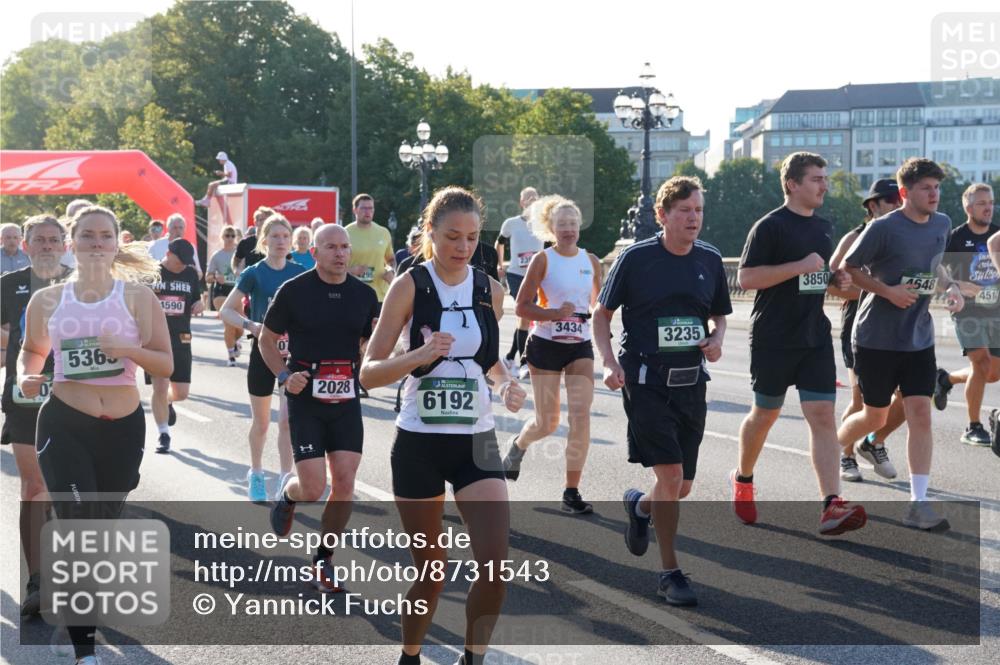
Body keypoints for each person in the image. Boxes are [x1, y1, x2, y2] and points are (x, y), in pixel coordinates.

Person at [360, 186, 526, 665]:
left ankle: (472, 659)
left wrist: (506, 385)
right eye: (453, 235)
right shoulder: (410, 285)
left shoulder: (489, 290)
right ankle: (410, 656)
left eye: (473, 237)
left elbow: (487, 360)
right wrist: (421, 353)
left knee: (495, 566)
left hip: (476, 440)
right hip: (419, 442)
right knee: (432, 571)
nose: (463, 246)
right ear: (431, 232)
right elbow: (369, 373)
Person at [18, 204, 171, 664]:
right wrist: (29, 375)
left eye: (106, 235)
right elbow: (32, 351)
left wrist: (126, 349)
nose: (97, 243)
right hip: (65, 423)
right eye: (87, 235)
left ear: (118, 242)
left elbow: (166, 364)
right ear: (72, 243)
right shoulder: (46, 300)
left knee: (100, 534)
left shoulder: (139, 299)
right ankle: (85, 653)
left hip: (123, 429)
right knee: (80, 528)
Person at [594, 176, 731, 606]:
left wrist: (715, 338)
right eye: (685, 211)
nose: (694, 219)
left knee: (681, 486)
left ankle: (640, 507)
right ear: (662, 215)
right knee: (670, 476)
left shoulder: (708, 259)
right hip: (646, 381)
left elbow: (719, 316)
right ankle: (670, 573)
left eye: (699, 211)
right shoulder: (637, 258)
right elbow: (602, 316)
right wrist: (609, 363)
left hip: (692, 384)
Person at [733, 152, 866, 536]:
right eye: (816, 179)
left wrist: (837, 283)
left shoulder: (824, 228)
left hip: (813, 336)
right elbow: (746, 278)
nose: (824, 185)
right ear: (792, 184)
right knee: (765, 415)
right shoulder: (769, 227)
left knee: (822, 415)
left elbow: (817, 277)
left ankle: (831, 504)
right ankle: (743, 479)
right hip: (774, 337)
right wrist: (799, 266)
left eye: (825, 178)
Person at [839, 158, 964, 531]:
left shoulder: (941, 224)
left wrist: (951, 287)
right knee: (874, 416)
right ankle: (837, 447)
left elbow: (936, 266)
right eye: (927, 188)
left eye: (937, 188)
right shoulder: (883, 228)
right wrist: (888, 291)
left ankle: (918, 503)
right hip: (876, 338)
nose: (935, 195)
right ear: (906, 193)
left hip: (918, 337)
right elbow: (849, 267)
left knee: (920, 413)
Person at [264, 224, 379, 592]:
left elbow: (369, 341)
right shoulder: (294, 291)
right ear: (315, 252)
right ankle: (288, 494)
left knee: (344, 482)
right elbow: (267, 341)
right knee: (313, 488)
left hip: (346, 398)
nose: (341, 253)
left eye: (345, 247)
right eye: (331, 247)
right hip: (306, 399)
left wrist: (370, 363)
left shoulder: (364, 295)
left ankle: (323, 559)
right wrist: (284, 376)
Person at [502, 196, 602, 514]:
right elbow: (521, 306)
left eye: (573, 223)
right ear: (551, 228)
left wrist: (603, 325)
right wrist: (554, 313)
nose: (569, 229)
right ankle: (518, 445)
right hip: (545, 344)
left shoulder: (592, 261)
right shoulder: (543, 260)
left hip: (580, 346)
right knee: (548, 422)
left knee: (581, 416)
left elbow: (599, 306)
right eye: (562, 224)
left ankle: (571, 490)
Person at [1, 215, 72, 617]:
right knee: (34, 486)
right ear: (25, 246)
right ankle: (37, 581)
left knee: (70, 490)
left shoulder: (85, 286)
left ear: (64, 244)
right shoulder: (8, 286)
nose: (46, 246)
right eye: (39, 240)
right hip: (25, 399)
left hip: (77, 397)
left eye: (53, 239)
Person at [220, 214, 306, 502]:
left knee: (287, 421)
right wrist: (252, 326)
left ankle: (285, 478)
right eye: (275, 237)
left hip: (291, 356)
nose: (281, 241)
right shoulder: (254, 273)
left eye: (285, 236)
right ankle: (256, 473)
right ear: (264, 241)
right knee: (261, 422)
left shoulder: (299, 272)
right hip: (262, 353)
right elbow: (227, 310)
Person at [828, 178, 904, 482]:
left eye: (899, 199)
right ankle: (845, 457)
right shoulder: (855, 237)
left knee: (911, 398)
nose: (897, 206)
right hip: (860, 327)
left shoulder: (906, 234)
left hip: (899, 328)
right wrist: (874, 291)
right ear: (872, 206)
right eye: (890, 201)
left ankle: (873, 442)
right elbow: (832, 281)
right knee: (862, 401)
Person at [934, 183, 999, 445]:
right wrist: (958, 286)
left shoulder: (998, 235)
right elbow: (936, 269)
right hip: (966, 311)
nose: (988, 208)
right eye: (982, 203)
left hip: (995, 310)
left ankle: (945, 379)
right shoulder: (956, 237)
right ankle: (973, 426)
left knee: (992, 373)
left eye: (991, 202)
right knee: (981, 365)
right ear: (968, 207)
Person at [147, 239, 204, 453]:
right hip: (155, 338)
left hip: (181, 337)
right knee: (160, 387)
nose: (183, 266)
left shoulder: (189, 274)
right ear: (169, 253)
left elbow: (197, 301)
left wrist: (199, 305)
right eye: (180, 261)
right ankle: (163, 434)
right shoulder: (152, 272)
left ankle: (167, 402)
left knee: (180, 393)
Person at [496, 187, 542, 379]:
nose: (531, 201)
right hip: (516, 275)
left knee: (525, 317)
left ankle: (509, 357)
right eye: (528, 198)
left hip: (537, 276)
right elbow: (499, 243)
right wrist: (500, 264)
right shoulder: (511, 224)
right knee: (524, 313)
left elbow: (551, 247)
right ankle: (524, 362)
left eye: (535, 198)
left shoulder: (543, 224)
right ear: (521, 202)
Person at [346, 193, 395, 312]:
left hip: (380, 295)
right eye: (363, 208)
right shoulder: (345, 233)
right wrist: (352, 271)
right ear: (355, 210)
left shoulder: (383, 232)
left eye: (371, 208)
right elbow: (334, 266)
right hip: (354, 294)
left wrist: (391, 270)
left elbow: (391, 259)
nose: (368, 212)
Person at [207, 224, 242, 364]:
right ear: (222, 237)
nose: (230, 238)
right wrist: (215, 277)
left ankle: (235, 342)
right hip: (221, 291)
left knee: (239, 326)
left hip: (237, 291)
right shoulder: (217, 255)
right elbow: (207, 277)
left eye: (232, 235)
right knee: (229, 323)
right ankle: (231, 356)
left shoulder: (240, 255)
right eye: (227, 235)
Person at [149, 214, 203, 278]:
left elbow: (199, 273)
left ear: (185, 230)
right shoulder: (155, 245)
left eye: (181, 228)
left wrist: (193, 274)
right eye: (175, 228)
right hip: (161, 284)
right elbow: (147, 270)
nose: (178, 230)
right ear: (168, 229)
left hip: (182, 285)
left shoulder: (190, 247)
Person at [232, 208, 271, 273]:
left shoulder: (276, 242)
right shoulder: (245, 242)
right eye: (262, 220)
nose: (265, 223)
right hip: (250, 281)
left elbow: (289, 260)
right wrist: (238, 271)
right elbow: (235, 261)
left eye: (268, 220)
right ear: (255, 222)